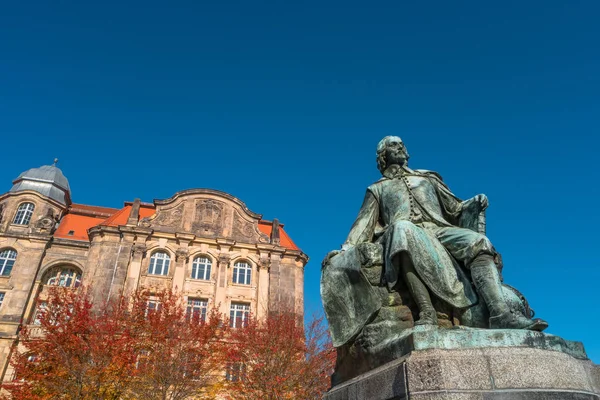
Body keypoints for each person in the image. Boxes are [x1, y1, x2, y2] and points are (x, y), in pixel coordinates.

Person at [339, 136, 547, 331]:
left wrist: (473, 203)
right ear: (383, 156)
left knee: (479, 241)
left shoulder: (427, 178)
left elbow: (455, 208)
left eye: (402, 144)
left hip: (439, 229)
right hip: (405, 233)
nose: (400, 147)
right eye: (394, 145)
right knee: (402, 229)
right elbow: (363, 223)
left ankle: (500, 314)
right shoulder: (377, 189)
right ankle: (426, 311)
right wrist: (345, 249)